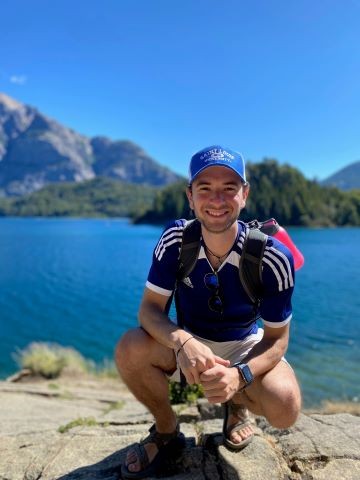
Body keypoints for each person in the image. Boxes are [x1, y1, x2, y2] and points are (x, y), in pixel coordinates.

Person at [116, 145, 301, 479]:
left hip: (244, 345)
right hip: (186, 340)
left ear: (244, 195)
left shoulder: (273, 257)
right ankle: (167, 430)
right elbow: (149, 310)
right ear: (190, 196)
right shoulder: (175, 239)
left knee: (285, 406)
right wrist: (183, 342)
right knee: (130, 349)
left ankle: (237, 404)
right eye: (205, 189)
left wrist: (241, 374)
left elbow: (277, 339)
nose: (217, 200)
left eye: (229, 189)